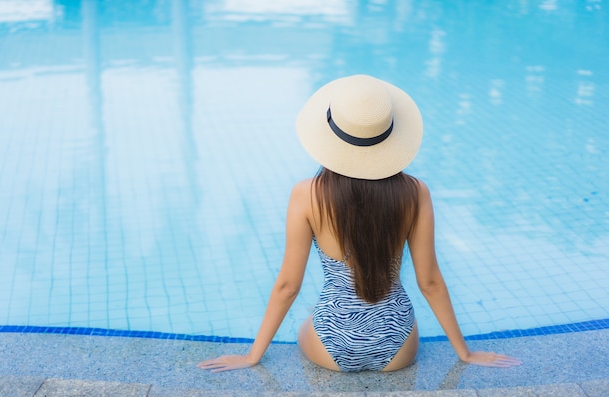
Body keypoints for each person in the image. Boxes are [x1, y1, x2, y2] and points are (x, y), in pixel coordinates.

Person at [198, 74, 521, 372]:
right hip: (398, 345)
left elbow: (288, 286)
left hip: (331, 343)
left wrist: (252, 355)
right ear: (391, 135)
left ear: (328, 134)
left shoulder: (306, 194)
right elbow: (430, 282)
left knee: (306, 323)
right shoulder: (415, 193)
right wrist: (464, 353)